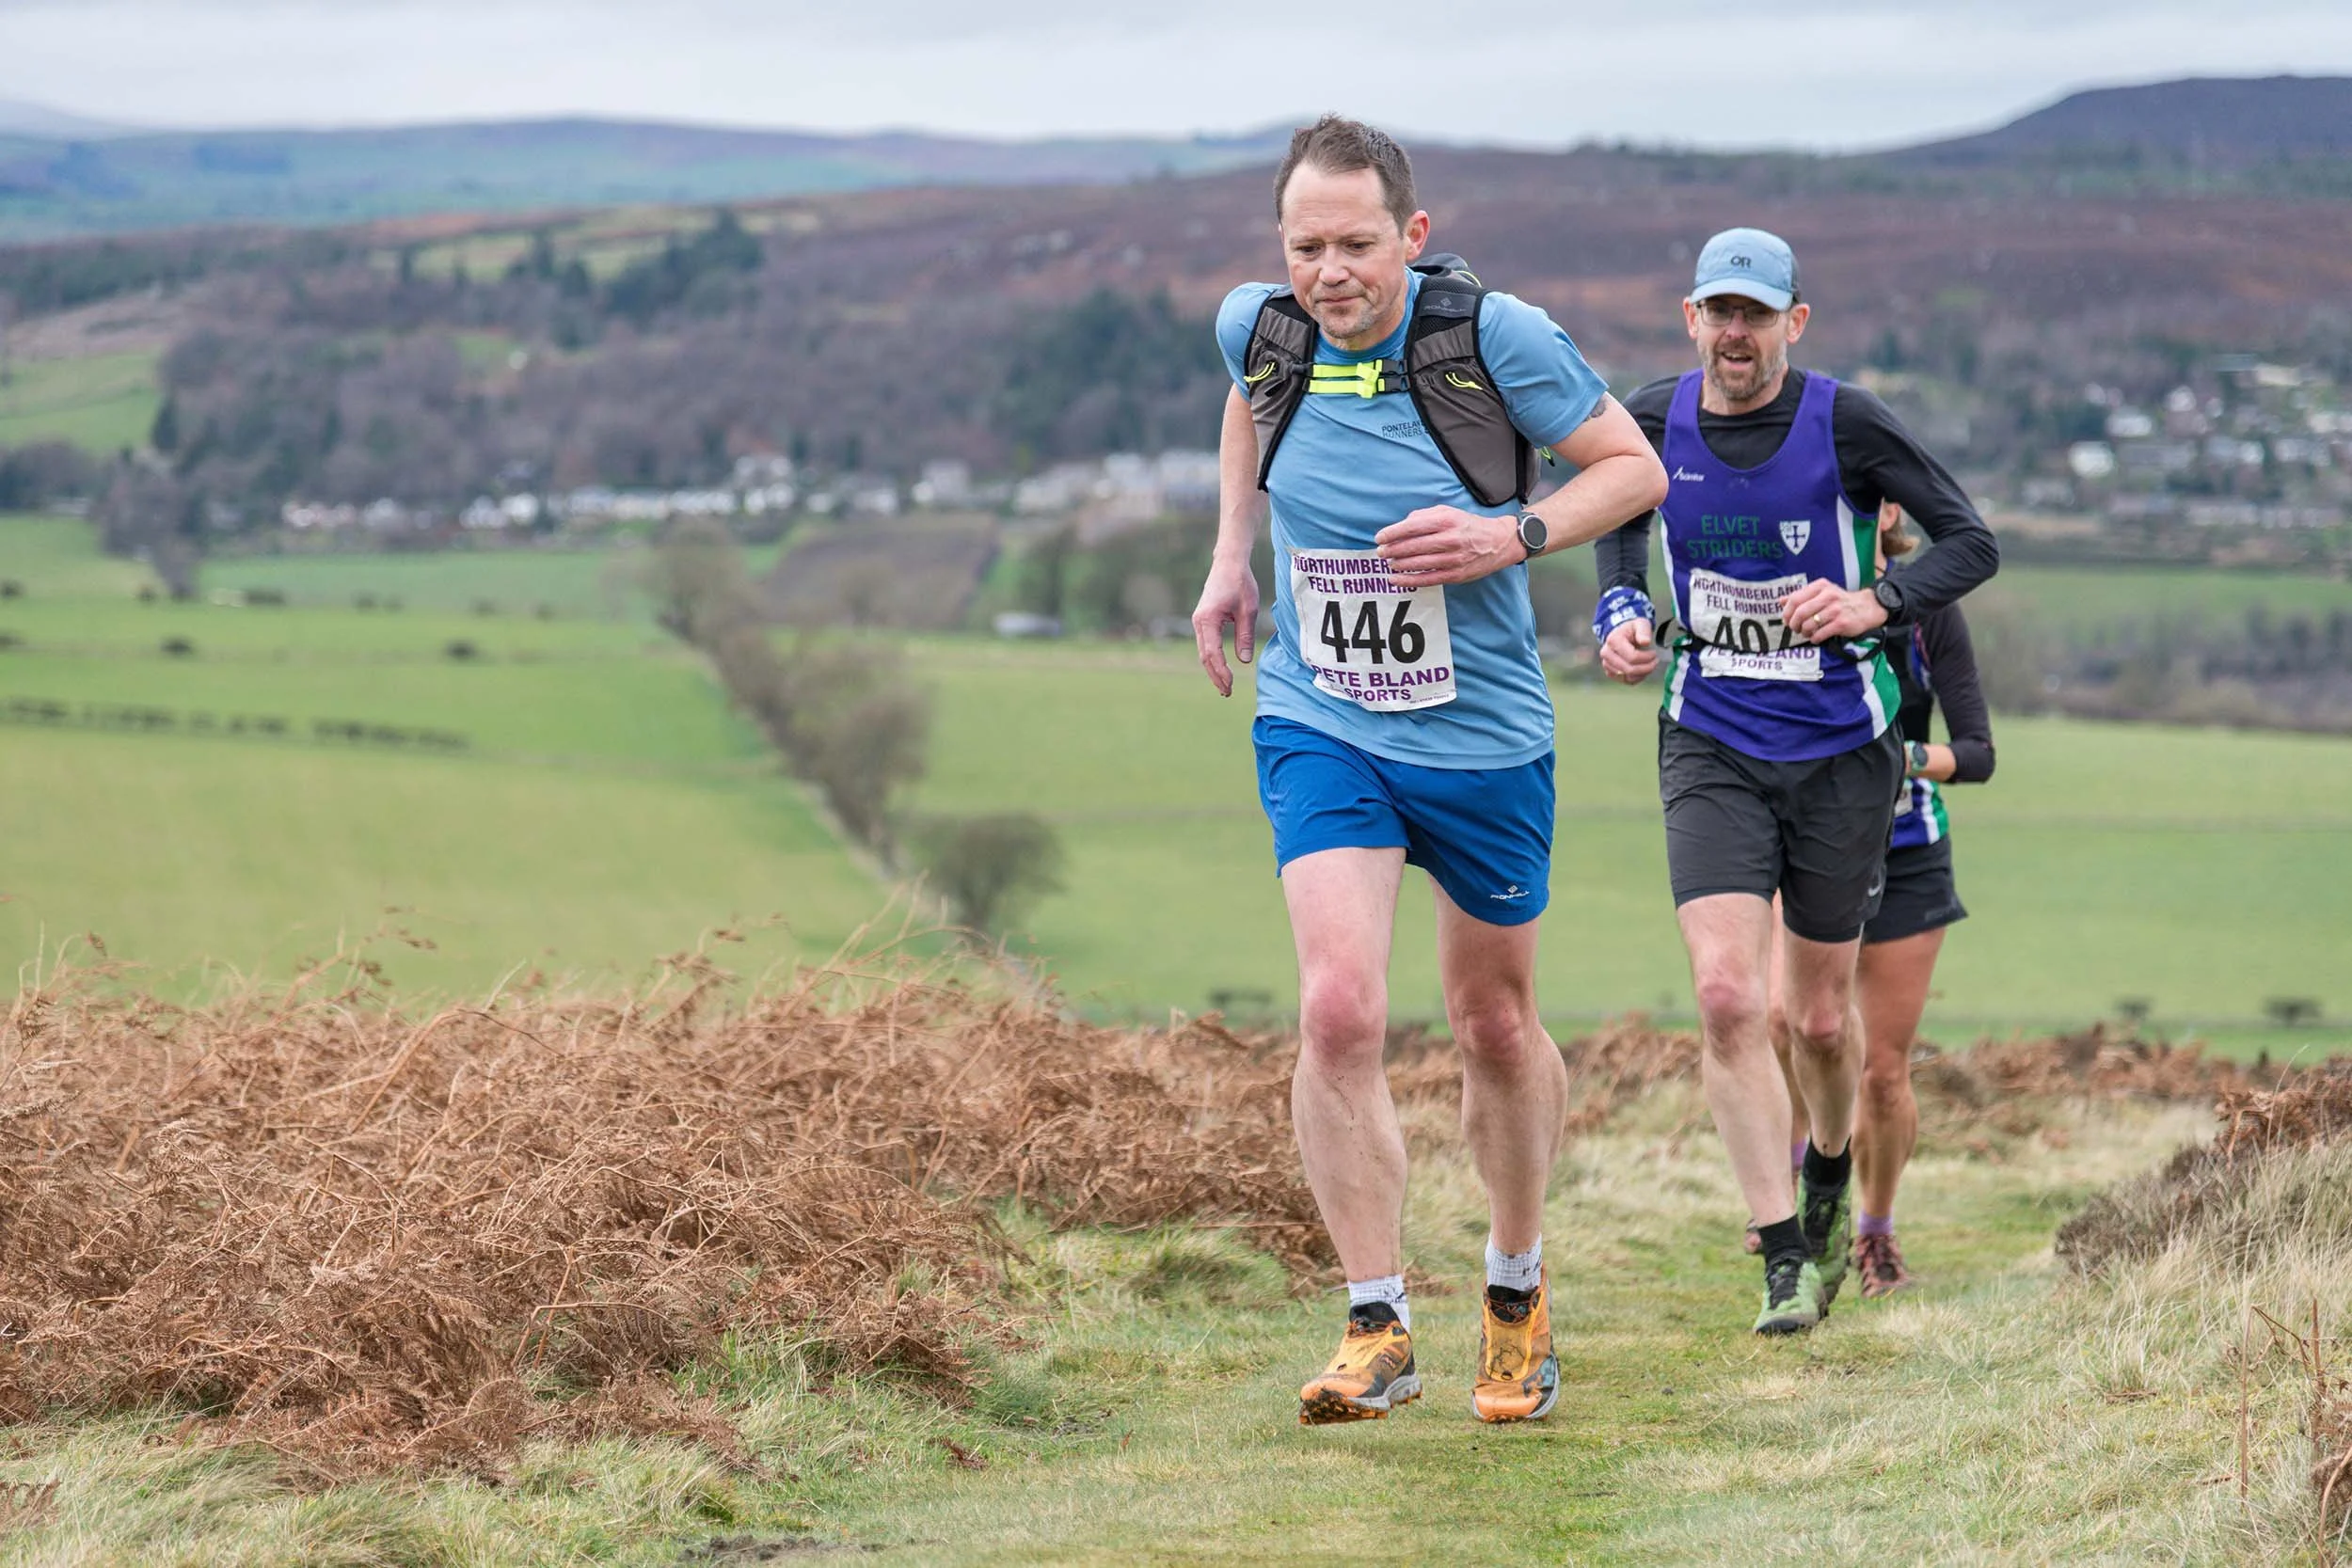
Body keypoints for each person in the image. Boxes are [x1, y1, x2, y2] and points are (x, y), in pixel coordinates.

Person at [1191, 115, 1666, 1423]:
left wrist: (1508, 535)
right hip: (1322, 713)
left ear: (1411, 234)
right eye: (1305, 246)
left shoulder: (1489, 339)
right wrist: (1233, 556)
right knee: (1338, 1007)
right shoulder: (1262, 325)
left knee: (1491, 1022)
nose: (1328, 272)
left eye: (1355, 244)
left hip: (1483, 734)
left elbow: (1634, 469)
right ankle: (1375, 1316)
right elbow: (1246, 404)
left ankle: (1514, 1290)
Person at [1594, 228, 1998, 1334]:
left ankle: (1829, 1169)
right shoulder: (1647, 416)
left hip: (1840, 749)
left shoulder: (1848, 420)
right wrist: (1621, 608)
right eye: (1717, 312)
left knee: (1820, 1025)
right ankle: (1783, 1254)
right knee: (1728, 995)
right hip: (1709, 732)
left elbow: (1972, 541)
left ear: (1793, 322)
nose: (1735, 333)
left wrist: (1878, 603)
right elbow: (1613, 511)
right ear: (1690, 319)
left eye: (1756, 314)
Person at [1762, 503, 1996, 1297]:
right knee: (1785, 1024)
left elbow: (1979, 753)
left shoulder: (1929, 611)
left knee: (1884, 1073)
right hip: (1802, 847)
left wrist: (1899, 757)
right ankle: (1806, 1189)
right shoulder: (1781, 589)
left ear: (1891, 512)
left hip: (1905, 852)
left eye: (1871, 496)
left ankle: (1875, 1230)